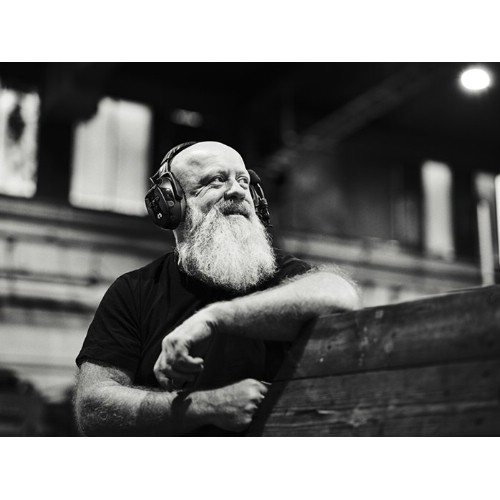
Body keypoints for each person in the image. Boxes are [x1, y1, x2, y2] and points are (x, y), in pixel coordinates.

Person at [74, 141, 359, 436]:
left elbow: (341, 295)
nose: (237, 191)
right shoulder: (134, 292)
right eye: (216, 181)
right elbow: (93, 408)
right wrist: (205, 406)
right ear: (170, 204)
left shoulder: (284, 276)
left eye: (244, 181)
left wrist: (214, 318)